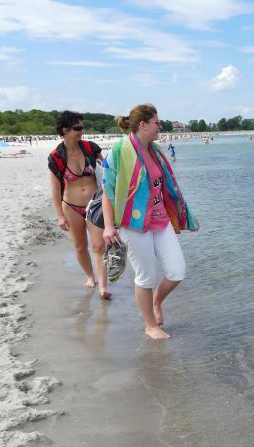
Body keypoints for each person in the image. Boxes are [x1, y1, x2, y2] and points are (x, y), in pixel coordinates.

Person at [101, 104, 199, 339]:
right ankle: (150, 326)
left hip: (160, 220)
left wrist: (180, 212)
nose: (160, 127)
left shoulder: (155, 150)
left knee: (177, 271)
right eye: (157, 122)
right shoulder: (119, 151)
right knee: (146, 276)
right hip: (133, 224)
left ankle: (156, 301)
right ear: (143, 125)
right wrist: (108, 226)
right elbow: (107, 191)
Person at [47, 111, 110, 298]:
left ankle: (103, 287)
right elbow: (55, 190)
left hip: (95, 205)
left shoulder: (91, 148)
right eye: (78, 128)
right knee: (81, 247)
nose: (82, 131)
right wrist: (59, 215)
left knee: (99, 246)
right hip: (71, 207)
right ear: (65, 130)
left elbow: (109, 171)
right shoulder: (56, 157)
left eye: (83, 127)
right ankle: (90, 276)